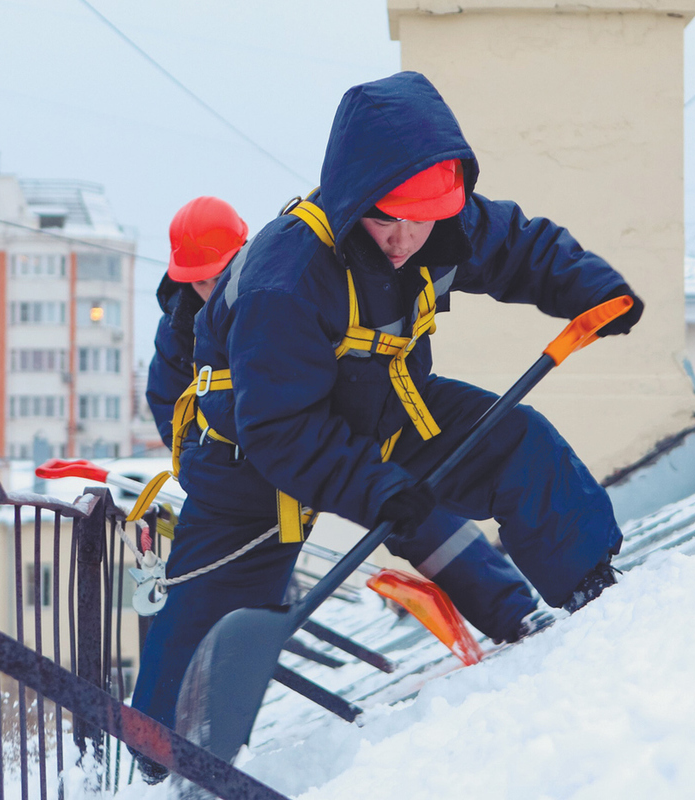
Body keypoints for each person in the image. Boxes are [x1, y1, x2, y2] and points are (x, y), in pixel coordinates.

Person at [132, 70, 642, 769]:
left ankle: (583, 595)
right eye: (385, 221)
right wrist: (375, 488)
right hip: (248, 458)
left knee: (511, 442)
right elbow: (281, 431)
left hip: (384, 410)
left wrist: (593, 288)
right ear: (351, 202)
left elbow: (520, 247)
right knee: (203, 620)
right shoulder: (289, 275)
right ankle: (163, 767)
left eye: (420, 220)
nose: (404, 240)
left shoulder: (443, 224)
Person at [146, 196, 543, 643]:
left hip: (326, 441)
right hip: (251, 474)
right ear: (182, 278)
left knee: (415, 511)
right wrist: (237, 457)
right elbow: (171, 411)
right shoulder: (177, 333)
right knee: (229, 587)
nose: (212, 286)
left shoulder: (278, 288)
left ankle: (514, 614)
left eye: (220, 273)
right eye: (200, 281)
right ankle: (220, 679)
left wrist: (326, 442)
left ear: (244, 249)